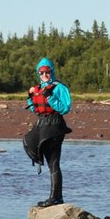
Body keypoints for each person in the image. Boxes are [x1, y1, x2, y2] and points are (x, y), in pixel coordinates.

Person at [23, 57, 72, 207]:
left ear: (52, 71)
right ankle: (55, 197)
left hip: (55, 125)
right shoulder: (37, 88)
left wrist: (50, 97)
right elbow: (33, 108)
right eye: (41, 72)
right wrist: (30, 97)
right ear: (38, 73)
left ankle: (56, 197)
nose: (45, 75)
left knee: (53, 162)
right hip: (42, 124)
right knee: (28, 142)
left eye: (47, 72)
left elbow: (65, 108)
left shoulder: (59, 88)